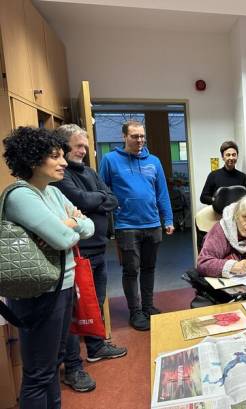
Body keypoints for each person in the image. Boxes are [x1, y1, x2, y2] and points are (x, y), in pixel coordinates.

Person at [3, 126, 95, 408]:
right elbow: (63, 238)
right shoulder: (21, 196)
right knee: (38, 373)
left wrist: (69, 224)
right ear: (33, 160)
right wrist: (69, 225)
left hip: (62, 285)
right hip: (39, 292)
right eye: (55, 156)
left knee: (53, 364)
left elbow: (88, 227)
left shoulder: (52, 193)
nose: (64, 162)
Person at [52, 124, 127, 392]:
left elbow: (112, 199)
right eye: (78, 145)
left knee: (95, 302)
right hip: (77, 252)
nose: (83, 150)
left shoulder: (90, 172)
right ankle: (73, 367)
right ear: (63, 147)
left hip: (98, 249)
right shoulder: (60, 175)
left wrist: (93, 200)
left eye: (85, 145)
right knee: (75, 310)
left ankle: (96, 348)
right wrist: (95, 200)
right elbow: (79, 200)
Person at [99, 120, 174, 331]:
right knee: (131, 270)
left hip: (153, 224)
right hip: (126, 226)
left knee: (149, 268)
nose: (139, 140)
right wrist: (111, 215)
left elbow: (162, 193)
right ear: (124, 137)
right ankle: (135, 312)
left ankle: (148, 306)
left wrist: (168, 219)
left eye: (142, 136)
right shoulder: (110, 160)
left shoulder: (154, 161)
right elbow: (102, 191)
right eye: (134, 136)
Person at [200, 141, 246, 205]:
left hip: (236, 211)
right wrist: (217, 200)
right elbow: (203, 197)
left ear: (237, 156)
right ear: (223, 157)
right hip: (218, 211)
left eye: (234, 155)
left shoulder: (242, 176)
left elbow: (245, 197)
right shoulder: (213, 175)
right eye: (228, 155)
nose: (231, 158)